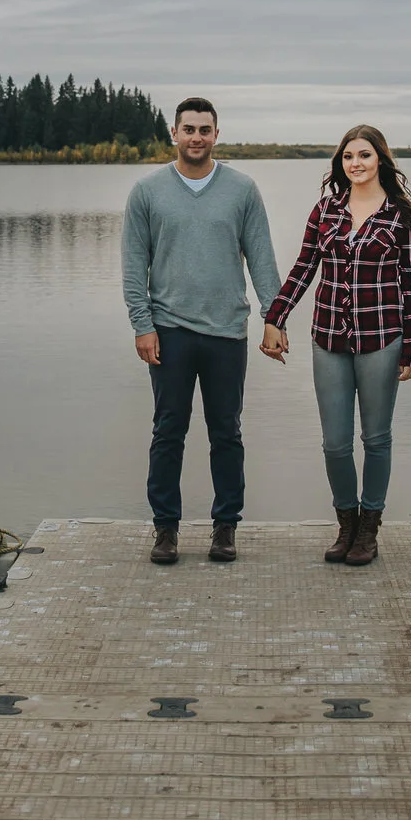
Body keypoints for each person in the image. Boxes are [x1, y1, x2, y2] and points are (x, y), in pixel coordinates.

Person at [121, 97, 280, 566]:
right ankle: (165, 529)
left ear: (216, 134)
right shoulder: (147, 191)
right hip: (168, 331)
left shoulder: (242, 189)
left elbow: (262, 258)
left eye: (204, 129)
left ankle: (225, 527)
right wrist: (141, 325)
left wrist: (275, 317)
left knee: (226, 432)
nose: (196, 137)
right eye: (188, 129)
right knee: (168, 431)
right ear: (174, 133)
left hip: (227, 330)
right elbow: (133, 266)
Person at [259, 124, 411, 567]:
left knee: (376, 438)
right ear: (341, 164)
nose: (356, 163)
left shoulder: (402, 218)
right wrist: (275, 317)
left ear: (380, 161)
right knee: (335, 442)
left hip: (381, 340)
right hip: (328, 339)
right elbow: (303, 267)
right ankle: (346, 524)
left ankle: (369, 530)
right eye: (349, 156)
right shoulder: (325, 211)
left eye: (365, 155)